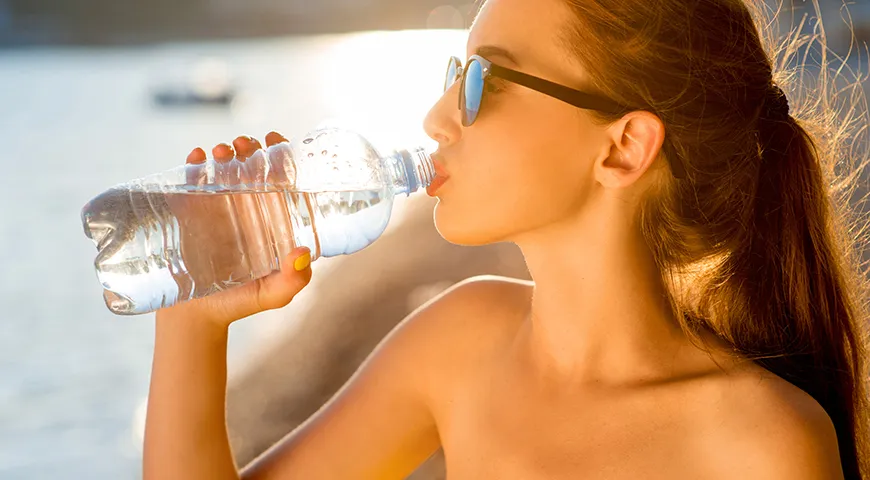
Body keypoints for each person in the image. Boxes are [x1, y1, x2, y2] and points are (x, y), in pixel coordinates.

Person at [142, 0, 870, 478]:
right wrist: (192, 313)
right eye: (453, 73)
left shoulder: (762, 445)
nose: (435, 116)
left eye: (484, 82)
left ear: (622, 148)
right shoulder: (460, 341)